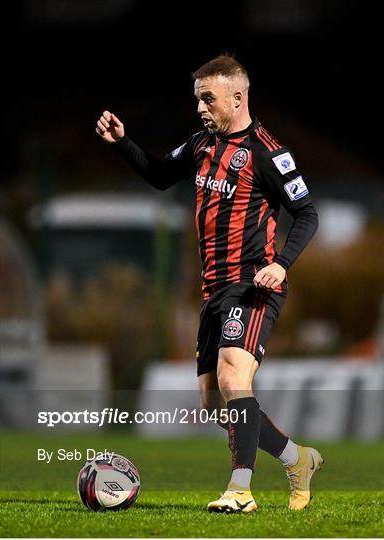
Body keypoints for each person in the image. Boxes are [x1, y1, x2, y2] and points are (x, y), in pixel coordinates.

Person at [96, 54, 323, 514]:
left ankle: (240, 491)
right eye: (197, 99)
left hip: (254, 284)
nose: (200, 108)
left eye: (208, 99)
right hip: (213, 290)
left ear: (238, 97)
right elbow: (161, 176)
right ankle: (300, 460)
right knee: (216, 406)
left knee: (233, 377)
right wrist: (124, 143)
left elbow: (307, 213)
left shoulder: (268, 153)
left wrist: (280, 264)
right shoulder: (201, 144)